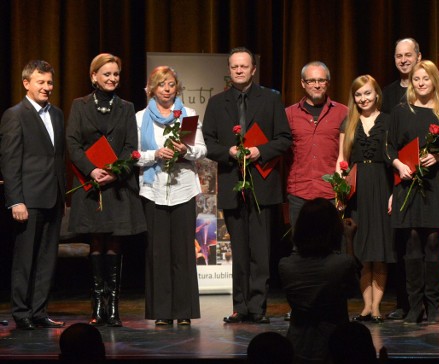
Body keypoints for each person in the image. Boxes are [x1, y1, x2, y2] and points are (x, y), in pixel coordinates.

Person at [203, 47, 292, 324]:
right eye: (234, 67)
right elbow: (208, 143)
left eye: (244, 66)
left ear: (253, 69)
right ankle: (239, 307)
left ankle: (258, 307)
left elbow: (284, 138)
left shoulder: (270, 100)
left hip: (262, 183)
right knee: (239, 250)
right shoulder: (217, 103)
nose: (239, 70)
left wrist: (259, 151)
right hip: (232, 181)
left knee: (260, 250)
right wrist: (228, 151)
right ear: (228, 70)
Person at [67, 53, 146, 327]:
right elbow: (73, 143)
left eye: (116, 74)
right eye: (107, 74)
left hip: (118, 187)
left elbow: (130, 147)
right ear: (94, 77)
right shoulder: (79, 106)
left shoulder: (126, 107)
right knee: (96, 243)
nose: (112, 79)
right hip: (91, 185)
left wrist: (114, 171)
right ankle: (97, 305)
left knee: (113, 244)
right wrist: (91, 170)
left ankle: (113, 307)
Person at [380, 38, 439, 321]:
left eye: (426, 78)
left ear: (434, 81)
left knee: (433, 242)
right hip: (408, 184)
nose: (421, 83)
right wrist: (398, 165)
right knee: (410, 243)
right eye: (417, 79)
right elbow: (388, 147)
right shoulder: (400, 111)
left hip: (437, 186)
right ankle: (415, 306)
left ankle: (434, 306)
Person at [136, 66, 206, 326]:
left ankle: (184, 311)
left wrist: (184, 150)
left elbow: (201, 149)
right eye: (161, 85)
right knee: (158, 252)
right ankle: (162, 312)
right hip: (153, 191)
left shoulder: (186, 115)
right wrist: (155, 154)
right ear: (152, 88)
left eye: (171, 84)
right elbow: (134, 155)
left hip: (183, 189)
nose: (167, 89)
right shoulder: (140, 117)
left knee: (183, 252)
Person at [0, 60, 66, 330]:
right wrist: (16, 199)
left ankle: (39, 311)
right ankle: (22, 312)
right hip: (28, 199)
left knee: (47, 259)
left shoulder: (58, 114)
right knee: (26, 259)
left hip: (53, 196)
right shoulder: (15, 115)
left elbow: (58, 156)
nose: (47, 87)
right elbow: (10, 160)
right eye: (41, 82)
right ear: (27, 83)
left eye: (49, 82)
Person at [279, 198, 359, 364]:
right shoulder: (342, 263)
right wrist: (348, 241)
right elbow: (353, 291)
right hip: (334, 351)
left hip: (297, 349)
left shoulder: (286, 265)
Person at [338, 75, 394, 323]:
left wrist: (395, 193)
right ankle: (365, 306)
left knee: (379, 251)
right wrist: (340, 191)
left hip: (382, 187)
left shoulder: (390, 121)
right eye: (359, 95)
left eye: (368, 93)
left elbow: (396, 160)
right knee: (361, 252)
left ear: (377, 94)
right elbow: (341, 160)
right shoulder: (348, 123)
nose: (363, 99)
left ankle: (376, 308)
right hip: (358, 191)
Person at [285, 61, 347, 227]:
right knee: (300, 247)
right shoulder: (289, 114)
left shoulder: (343, 112)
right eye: (311, 81)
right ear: (303, 83)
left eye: (321, 81)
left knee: (331, 246)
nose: (317, 85)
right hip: (299, 192)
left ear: (328, 83)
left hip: (330, 192)